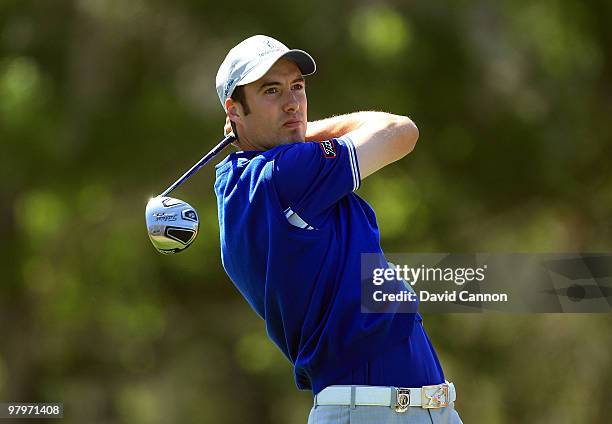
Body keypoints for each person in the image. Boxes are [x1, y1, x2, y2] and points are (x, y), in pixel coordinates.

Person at [214, 35, 463, 424]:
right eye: (271, 91)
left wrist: (291, 129)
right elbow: (400, 131)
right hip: (374, 411)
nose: (293, 103)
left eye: (297, 87)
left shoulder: (236, 187)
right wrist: (305, 131)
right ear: (235, 111)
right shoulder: (285, 174)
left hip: (393, 408)